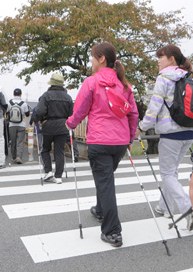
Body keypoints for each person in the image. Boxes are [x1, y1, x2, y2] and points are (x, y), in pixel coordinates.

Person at [66, 42, 139, 247]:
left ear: (101, 59)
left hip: (100, 140)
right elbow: (133, 114)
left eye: (92, 57)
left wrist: (70, 123)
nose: (91, 61)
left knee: (105, 182)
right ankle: (100, 209)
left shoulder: (92, 82)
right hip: (120, 142)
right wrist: (130, 138)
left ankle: (112, 231)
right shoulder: (124, 84)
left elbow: (80, 110)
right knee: (105, 179)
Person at [135, 44, 193, 231]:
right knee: (172, 171)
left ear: (171, 59)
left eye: (161, 57)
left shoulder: (164, 77)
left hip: (170, 133)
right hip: (189, 131)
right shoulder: (188, 76)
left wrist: (141, 127)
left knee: (168, 174)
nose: (158, 60)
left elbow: (154, 108)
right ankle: (165, 206)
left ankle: (187, 210)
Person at [32, 73, 73, 184]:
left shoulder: (46, 95)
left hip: (48, 125)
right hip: (63, 125)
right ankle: (58, 176)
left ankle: (48, 171)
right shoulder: (68, 97)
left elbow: (40, 111)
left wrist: (36, 119)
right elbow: (71, 113)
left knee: (45, 149)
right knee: (59, 151)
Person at [7, 88, 30, 164]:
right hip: (21, 125)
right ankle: (19, 157)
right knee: (20, 142)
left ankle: (13, 157)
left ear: (13, 94)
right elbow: (27, 114)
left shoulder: (9, 103)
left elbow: (7, 112)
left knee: (13, 142)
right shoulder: (24, 103)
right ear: (21, 94)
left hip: (12, 125)